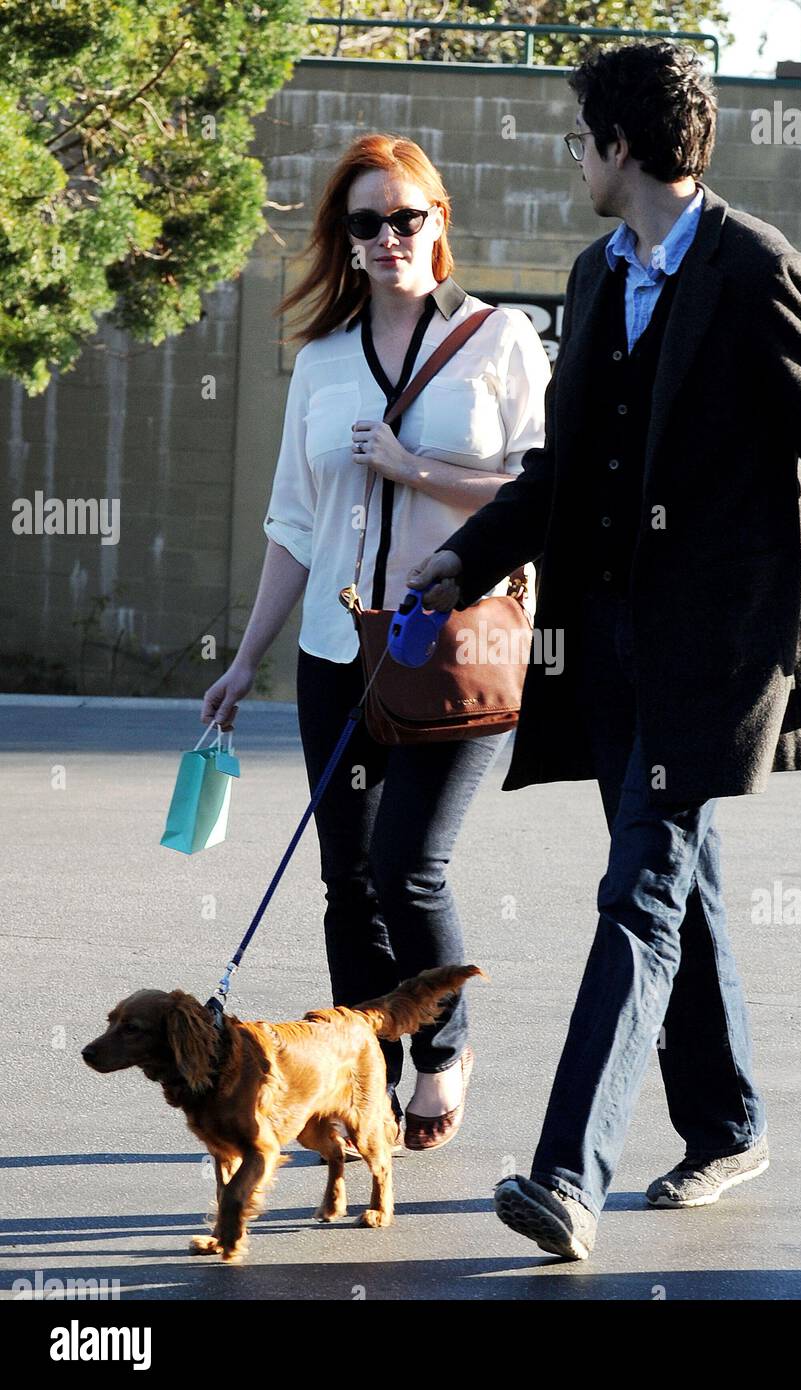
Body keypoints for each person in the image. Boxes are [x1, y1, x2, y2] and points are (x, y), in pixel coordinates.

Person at [407, 43, 801, 1258]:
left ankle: (565, 1175)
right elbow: (560, 468)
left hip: (715, 650)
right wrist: (468, 557)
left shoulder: (758, 270)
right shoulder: (598, 276)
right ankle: (729, 1121)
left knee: (640, 893)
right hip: (607, 642)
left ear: (617, 146)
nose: (574, 162)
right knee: (678, 881)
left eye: (577, 140)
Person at [202, 132, 550, 1153]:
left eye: (408, 216)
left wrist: (415, 467)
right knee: (346, 877)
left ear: (439, 222)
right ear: (345, 242)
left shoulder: (501, 341)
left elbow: (550, 494)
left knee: (413, 864)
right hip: (337, 655)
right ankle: (365, 1081)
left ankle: (445, 1049)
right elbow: (294, 526)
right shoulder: (318, 364)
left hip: (455, 650)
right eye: (367, 223)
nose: (391, 236)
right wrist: (241, 658)